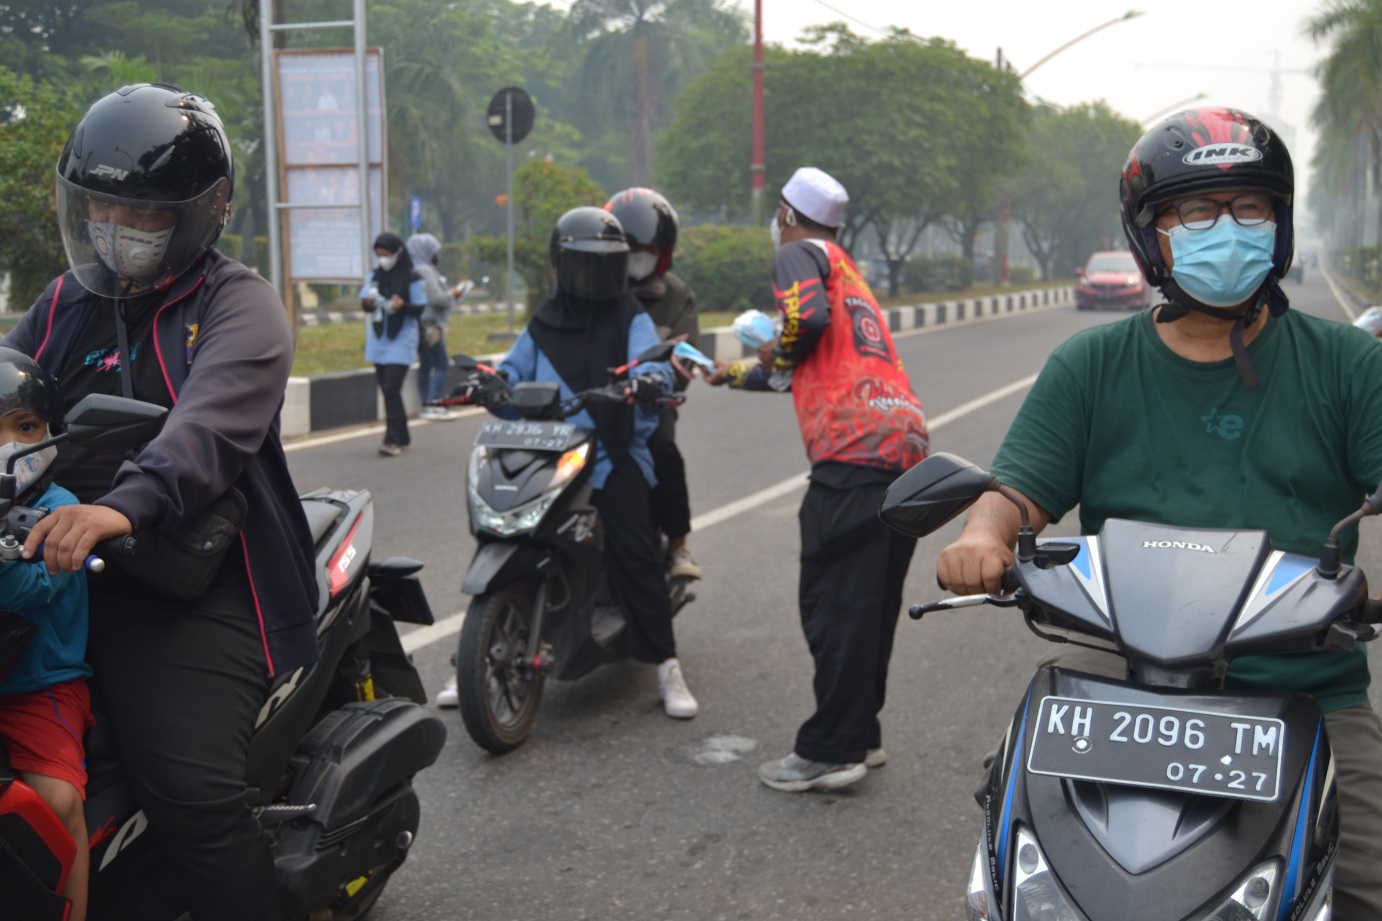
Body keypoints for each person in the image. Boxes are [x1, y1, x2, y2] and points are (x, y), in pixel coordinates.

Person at [934, 107, 1382, 920]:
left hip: (1306, 683)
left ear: (1279, 225)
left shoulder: (1351, 364)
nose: (1227, 229)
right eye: (1193, 212)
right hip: (1120, 681)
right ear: (1151, 237)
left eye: (1249, 207)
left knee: (1366, 884)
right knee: (1020, 875)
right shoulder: (1090, 363)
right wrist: (981, 534)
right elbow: (1016, 490)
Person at [8, 82, 320, 921]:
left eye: (139, 212)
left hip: (187, 579)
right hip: (52, 565)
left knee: (189, 787)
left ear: (200, 213)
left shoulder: (237, 304)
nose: (115, 227)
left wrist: (123, 505)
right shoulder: (67, 305)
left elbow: (209, 427)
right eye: (100, 206)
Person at [707, 167, 929, 791]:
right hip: (903, 449)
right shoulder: (848, 273)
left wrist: (777, 346)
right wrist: (725, 374)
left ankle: (831, 748)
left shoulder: (799, 254)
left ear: (785, 213)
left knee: (834, 606)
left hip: (855, 453)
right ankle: (862, 733)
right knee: (870, 604)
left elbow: (806, 325)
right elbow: (799, 358)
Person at [440, 206, 697, 719]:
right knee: (505, 529)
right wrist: (489, 385)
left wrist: (649, 380)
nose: (596, 279)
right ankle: (473, 651)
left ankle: (666, 665)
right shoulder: (543, 322)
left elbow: (656, 365)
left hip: (611, 455)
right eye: (584, 266)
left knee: (634, 551)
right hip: (551, 451)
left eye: (606, 267)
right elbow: (511, 372)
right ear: (560, 266)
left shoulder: (631, 317)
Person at [0, 350, 90, 921]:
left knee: (58, 802)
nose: (8, 444)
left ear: (51, 434)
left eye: (25, 426)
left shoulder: (61, 512)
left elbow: (26, 591)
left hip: (39, 685)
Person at [603, 187, 703, 582]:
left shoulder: (677, 296)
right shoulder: (595, 287)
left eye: (648, 246)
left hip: (651, 404)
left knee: (663, 450)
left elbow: (686, 356)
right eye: (630, 246)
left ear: (664, 251)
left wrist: (660, 378)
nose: (639, 254)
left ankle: (678, 544)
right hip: (593, 400)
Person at [361, 232, 425, 456]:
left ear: (398, 253)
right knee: (387, 390)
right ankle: (403, 435)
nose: (383, 259)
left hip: (402, 339)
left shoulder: (413, 278)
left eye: (386, 254)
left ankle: (391, 439)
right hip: (379, 341)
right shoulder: (374, 276)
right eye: (379, 255)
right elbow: (366, 305)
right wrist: (368, 303)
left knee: (391, 388)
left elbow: (420, 308)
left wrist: (402, 304)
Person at [406, 232, 468, 422]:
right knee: (441, 364)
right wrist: (454, 293)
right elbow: (436, 298)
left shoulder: (417, 268)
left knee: (427, 364)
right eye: (434, 251)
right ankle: (433, 403)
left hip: (423, 323)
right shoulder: (425, 271)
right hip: (431, 324)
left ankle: (426, 404)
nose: (436, 255)